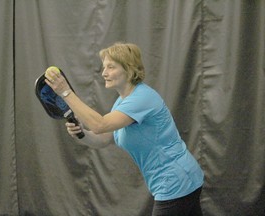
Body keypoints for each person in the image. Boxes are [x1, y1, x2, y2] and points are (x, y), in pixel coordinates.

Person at [45, 42, 204, 216]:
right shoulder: (122, 103)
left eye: (111, 67)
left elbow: (99, 125)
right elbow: (104, 138)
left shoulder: (142, 98)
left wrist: (66, 92)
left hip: (176, 180)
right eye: (104, 67)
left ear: (129, 69)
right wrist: (81, 133)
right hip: (181, 178)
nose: (104, 73)